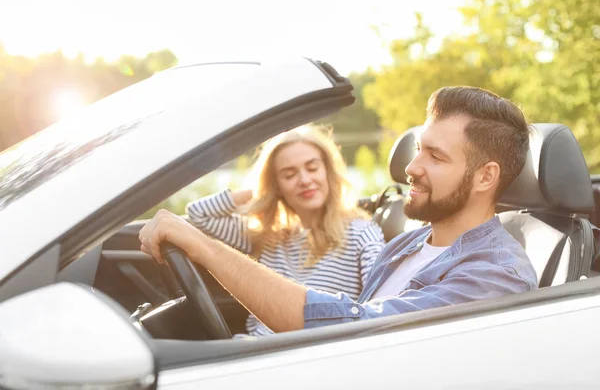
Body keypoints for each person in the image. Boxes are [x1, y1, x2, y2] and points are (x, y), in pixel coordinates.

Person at [139, 86, 538, 334]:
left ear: (485, 177)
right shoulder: (411, 243)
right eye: (419, 149)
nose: (412, 168)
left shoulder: (495, 274)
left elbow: (355, 330)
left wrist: (205, 248)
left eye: (435, 156)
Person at [183, 124, 385, 336]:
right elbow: (199, 214)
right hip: (256, 345)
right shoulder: (266, 235)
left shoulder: (362, 232)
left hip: (303, 352)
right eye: (289, 175)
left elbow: (383, 302)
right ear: (277, 186)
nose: (305, 180)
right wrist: (261, 192)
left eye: (313, 168)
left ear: (328, 171)